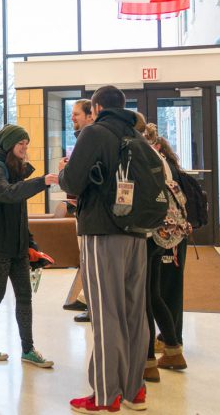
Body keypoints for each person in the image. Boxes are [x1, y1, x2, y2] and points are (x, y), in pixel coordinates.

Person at [59, 86, 149, 413]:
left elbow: (72, 182)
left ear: (96, 108)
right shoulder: (136, 135)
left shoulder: (94, 133)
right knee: (134, 312)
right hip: (138, 233)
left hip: (102, 230)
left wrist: (63, 171)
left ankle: (105, 395)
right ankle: (133, 390)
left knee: (105, 312)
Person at [0, 124, 56, 369]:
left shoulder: (14, 170)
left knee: (25, 297)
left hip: (16, 246)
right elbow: (5, 194)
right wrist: (42, 181)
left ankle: (28, 350)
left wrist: (30, 243)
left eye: (26, 144)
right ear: (9, 145)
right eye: (21, 144)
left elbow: (18, 211)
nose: (25, 148)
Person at [141, 125, 188, 382]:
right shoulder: (160, 158)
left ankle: (147, 362)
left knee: (145, 298)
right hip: (163, 234)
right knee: (154, 293)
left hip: (147, 234)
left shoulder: (143, 157)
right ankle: (173, 350)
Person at [62, 99, 95, 323]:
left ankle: (91, 304)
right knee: (87, 260)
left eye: (76, 114)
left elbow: (76, 180)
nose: (72, 118)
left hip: (91, 213)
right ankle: (86, 299)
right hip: (83, 209)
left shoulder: (90, 138)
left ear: (91, 115)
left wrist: (65, 172)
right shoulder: (84, 139)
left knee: (90, 261)